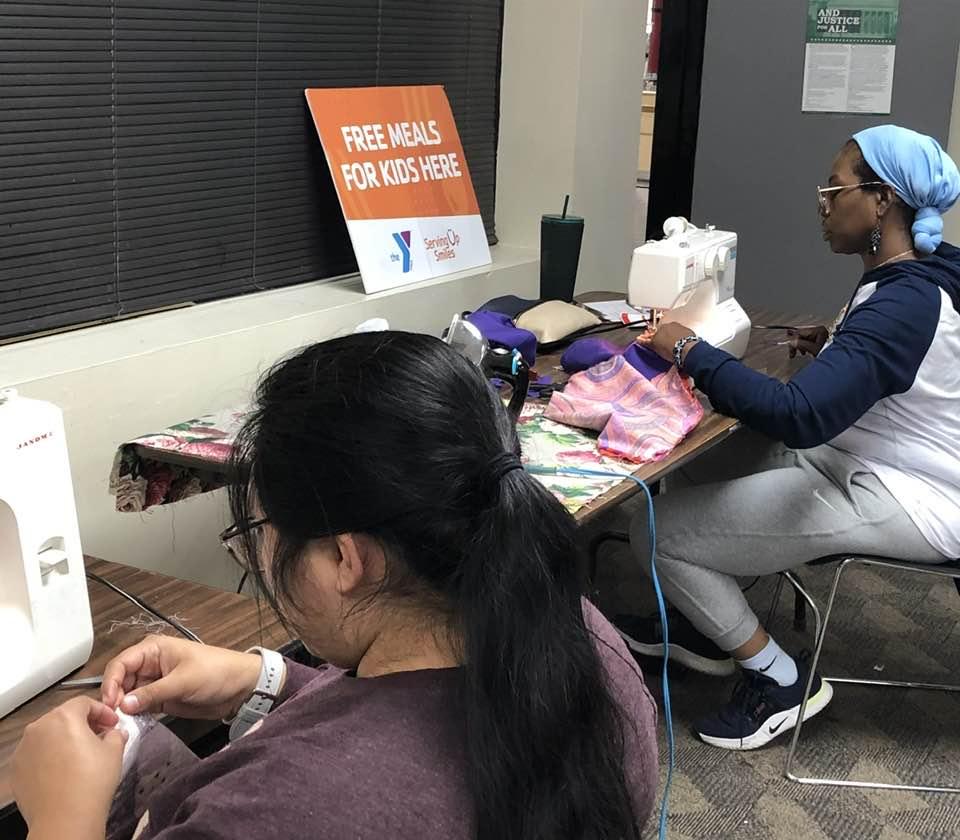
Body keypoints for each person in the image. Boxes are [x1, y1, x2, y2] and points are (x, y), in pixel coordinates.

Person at [12, 332, 659, 839]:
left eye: (260, 530)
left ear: (347, 560)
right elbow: (406, 722)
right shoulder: (573, 636)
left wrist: (60, 817)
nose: (260, 553)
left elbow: (374, 775)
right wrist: (263, 680)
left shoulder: (275, 816)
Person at [619, 124, 960, 750]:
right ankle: (707, 619)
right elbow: (916, 367)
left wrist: (690, 348)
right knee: (700, 456)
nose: (823, 203)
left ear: (883, 200)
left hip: (909, 493)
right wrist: (838, 348)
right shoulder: (927, 269)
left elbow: (799, 414)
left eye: (836, 188)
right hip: (875, 453)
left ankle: (780, 681)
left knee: (654, 532)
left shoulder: (903, 303)